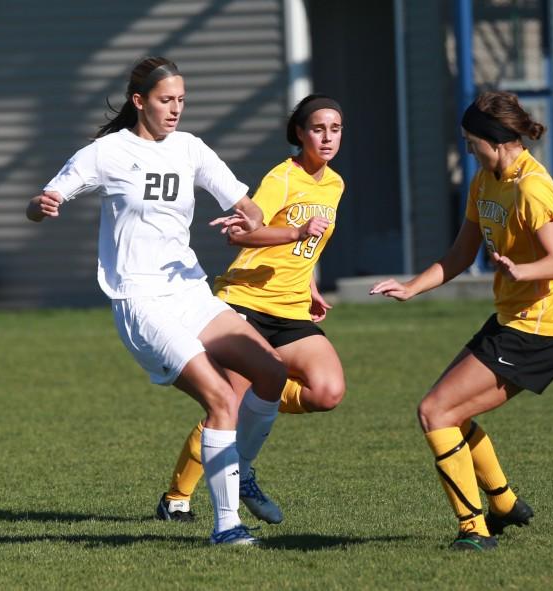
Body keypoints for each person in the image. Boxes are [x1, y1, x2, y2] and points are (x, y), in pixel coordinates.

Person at [25, 56, 288, 546]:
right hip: (140, 300)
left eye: (182, 100)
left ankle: (241, 470)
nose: (176, 110)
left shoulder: (190, 149)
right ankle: (227, 525)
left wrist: (250, 221)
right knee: (221, 399)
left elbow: (244, 204)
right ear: (139, 101)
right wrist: (42, 206)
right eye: (166, 100)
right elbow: (43, 200)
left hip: (189, 291)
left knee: (272, 372)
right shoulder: (106, 153)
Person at [370, 91, 553, 551]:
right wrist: (411, 287)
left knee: (435, 411)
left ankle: (474, 530)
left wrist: (521, 270)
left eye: (471, 141)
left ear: (497, 139)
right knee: (448, 411)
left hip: (541, 330)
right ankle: (502, 504)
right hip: (514, 320)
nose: (468, 149)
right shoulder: (486, 181)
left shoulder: (532, 187)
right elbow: (461, 255)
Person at [154, 95, 347, 524]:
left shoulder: (334, 184)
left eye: (335, 129)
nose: (328, 137)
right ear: (300, 133)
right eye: (318, 128)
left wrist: (310, 284)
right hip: (245, 303)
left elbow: (305, 249)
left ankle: (241, 455)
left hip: (292, 308)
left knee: (327, 391)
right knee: (232, 402)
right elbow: (243, 237)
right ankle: (176, 498)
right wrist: (295, 230)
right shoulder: (281, 177)